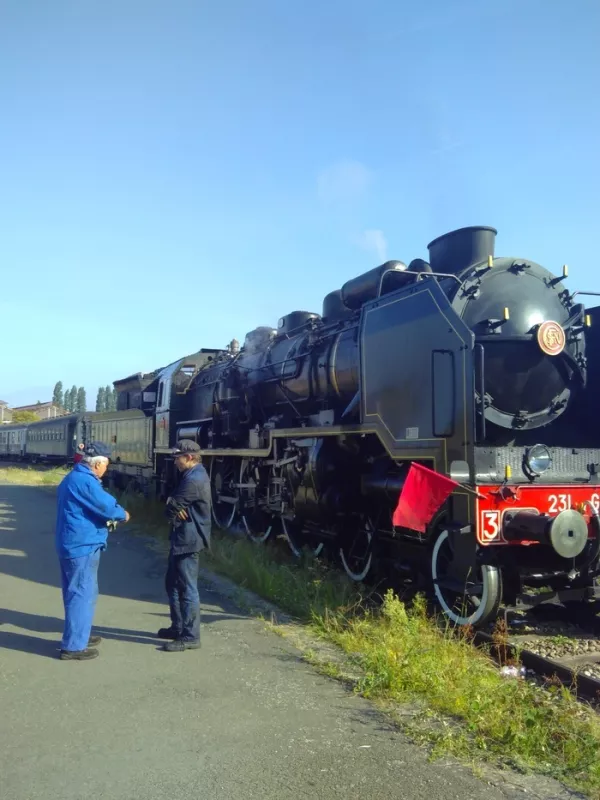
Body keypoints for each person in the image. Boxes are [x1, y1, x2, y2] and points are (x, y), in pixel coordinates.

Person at [55, 441, 130, 661]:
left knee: (76, 592)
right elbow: (107, 506)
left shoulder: (73, 477)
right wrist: (122, 514)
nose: (106, 470)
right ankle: (73, 647)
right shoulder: (85, 482)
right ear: (97, 464)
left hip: (72, 542)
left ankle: (80, 635)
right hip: (81, 545)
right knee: (81, 593)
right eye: (105, 465)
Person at [158, 439, 211, 652]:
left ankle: (190, 636)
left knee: (187, 588)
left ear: (189, 457)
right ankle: (178, 626)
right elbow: (172, 500)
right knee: (172, 583)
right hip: (182, 536)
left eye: (177, 458)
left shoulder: (193, 480)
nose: (174, 463)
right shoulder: (190, 476)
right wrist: (172, 501)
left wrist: (172, 504)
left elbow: (170, 509)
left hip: (189, 539)